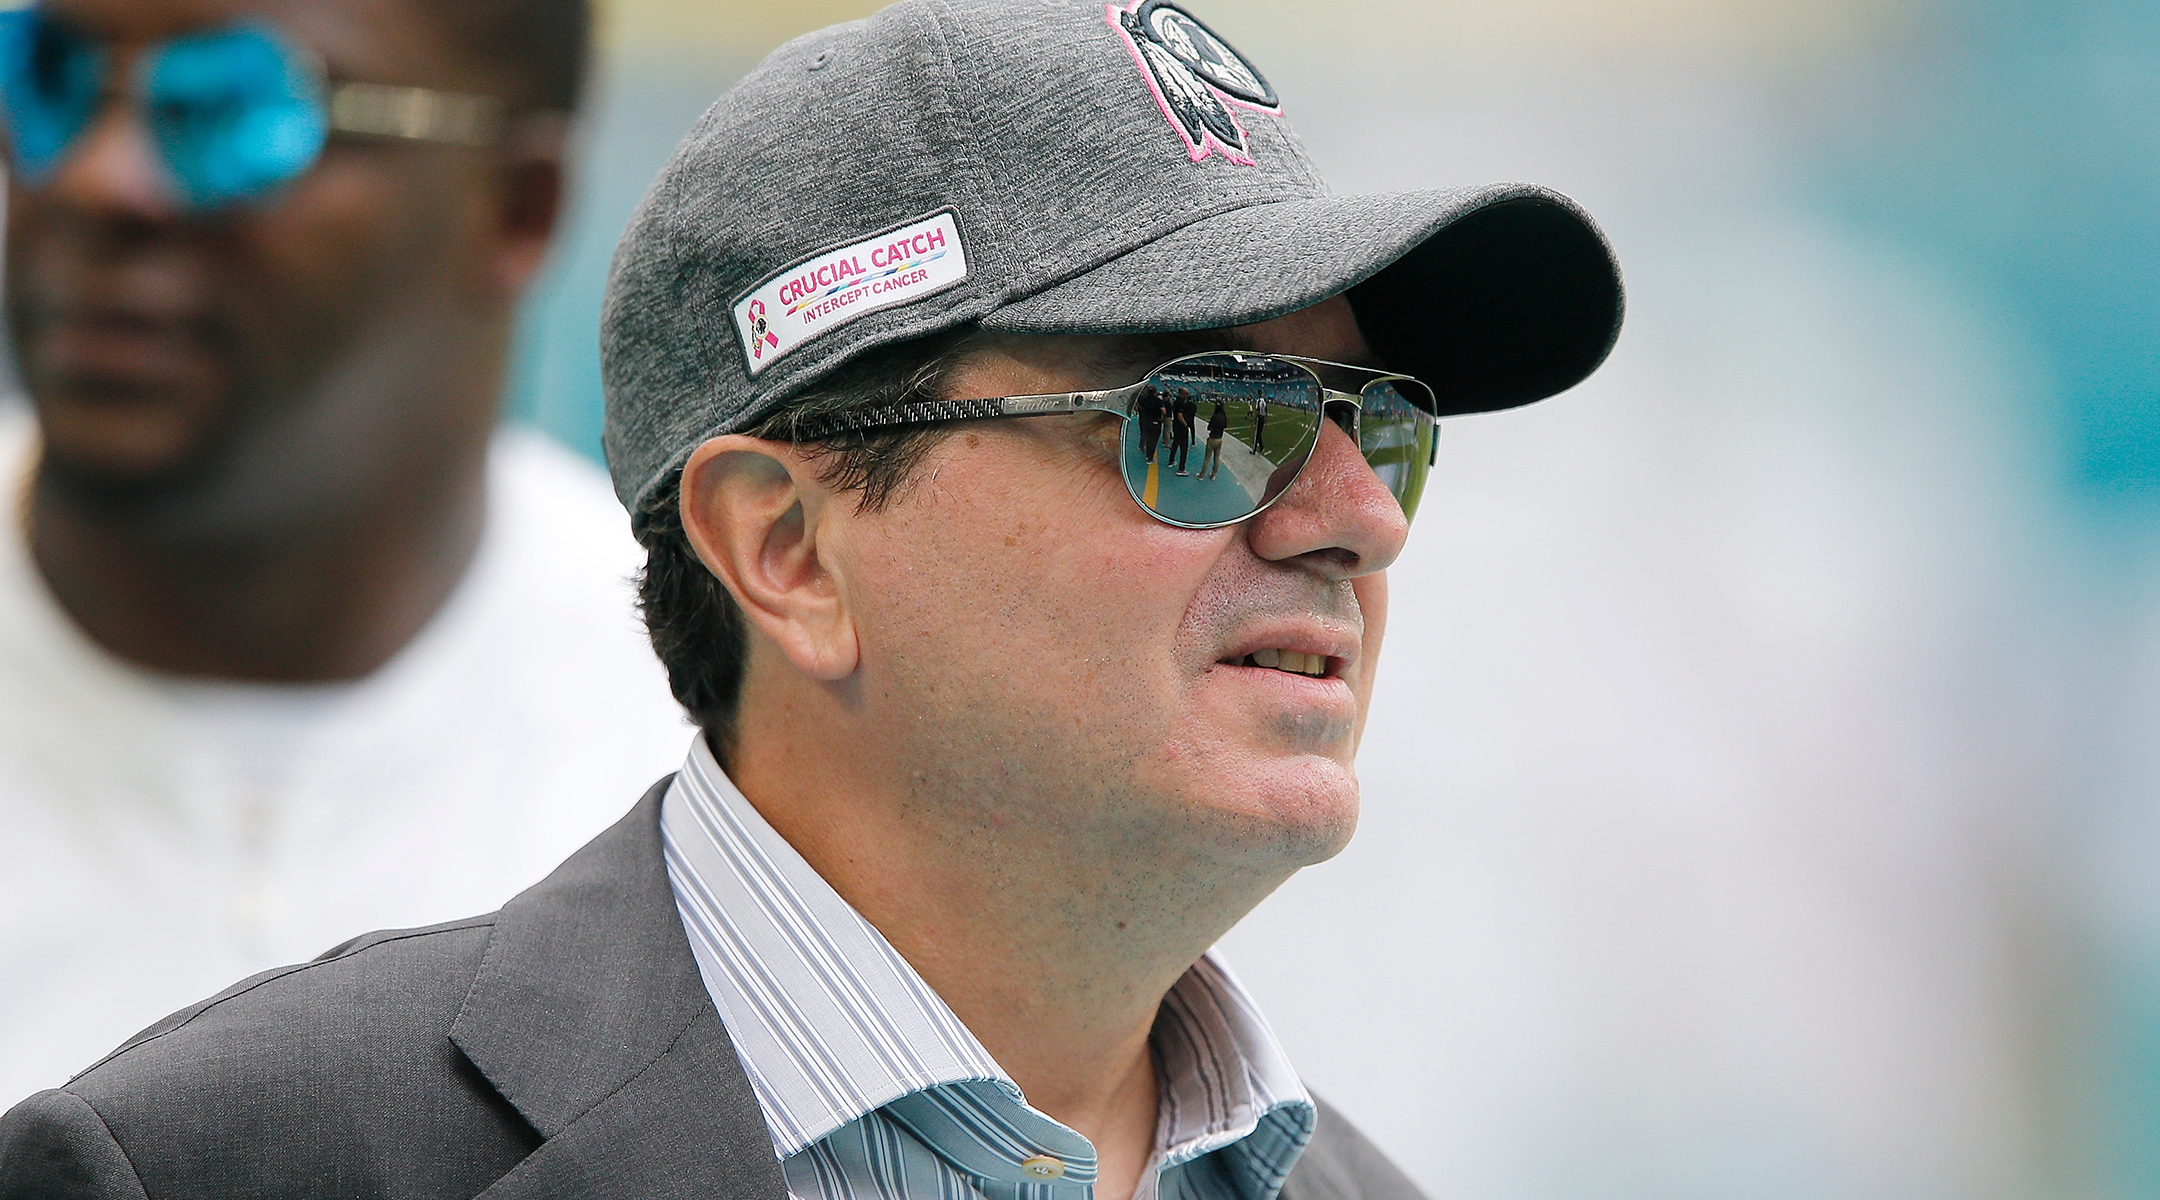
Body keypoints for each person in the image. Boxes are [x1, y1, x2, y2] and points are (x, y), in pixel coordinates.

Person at [0, 1, 1623, 1195]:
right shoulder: (218, 1164)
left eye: (1380, 429)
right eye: (1205, 421)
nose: (1355, 518)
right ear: (785, 550)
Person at [0, 0, 688, 1104]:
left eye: (238, 105)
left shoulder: (716, 764)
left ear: (516, 207)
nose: (96, 179)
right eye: (46, 75)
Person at [1170, 386, 1197, 474]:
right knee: (1184, 448)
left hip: (1176, 426)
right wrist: (1185, 425)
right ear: (1182, 393)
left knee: (1175, 443)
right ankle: (1181, 469)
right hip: (1181, 427)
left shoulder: (1176, 401)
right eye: (1186, 393)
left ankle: (1171, 461)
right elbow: (1179, 415)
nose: (1187, 394)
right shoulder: (1181, 402)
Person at [1137, 383, 1165, 463]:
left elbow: (1140, 406)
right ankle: (1150, 458)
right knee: (1153, 440)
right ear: (1155, 392)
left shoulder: (1144, 399)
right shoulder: (1158, 401)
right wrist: (1162, 419)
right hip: (1155, 422)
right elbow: (1164, 411)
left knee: (1148, 439)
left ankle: (1147, 455)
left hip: (1146, 421)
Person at [1201, 399, 1228, 480]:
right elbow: (1225, 426)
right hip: (1220, 439)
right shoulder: (1224, 416)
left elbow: (1209, 428)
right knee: (1217, 459)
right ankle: (1213, 475)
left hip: (1212, 438)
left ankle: (1201, 475)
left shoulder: (1215, 416)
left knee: (1207, 459)